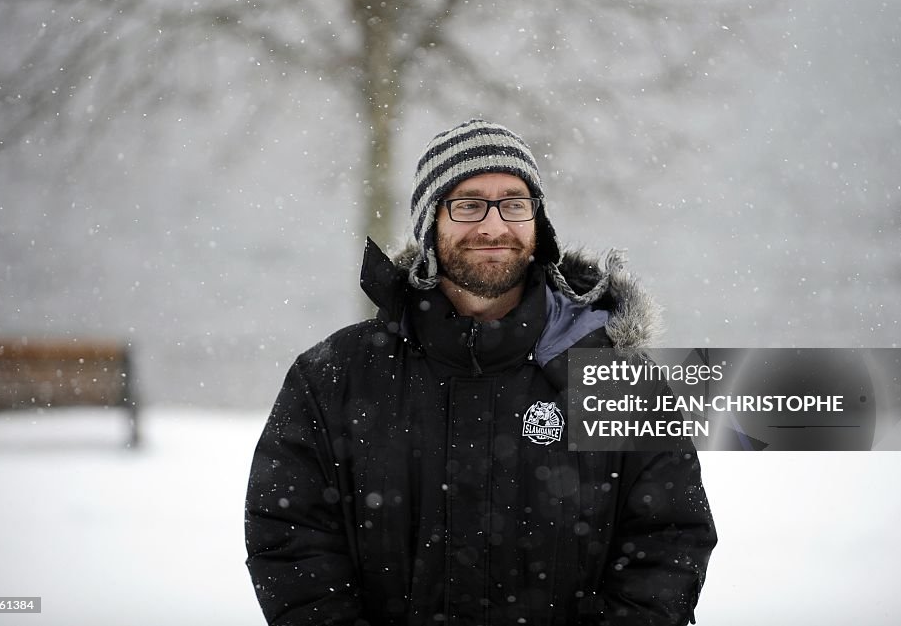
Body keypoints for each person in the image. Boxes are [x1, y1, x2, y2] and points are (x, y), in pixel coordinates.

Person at [245, 119, 716, 625]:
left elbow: (669, 541)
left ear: (539, 224)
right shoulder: (334, 376)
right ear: (430, 225)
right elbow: (289, 538)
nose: (494, 227)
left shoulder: (616, 378)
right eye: (468, 205)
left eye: (514, 204)